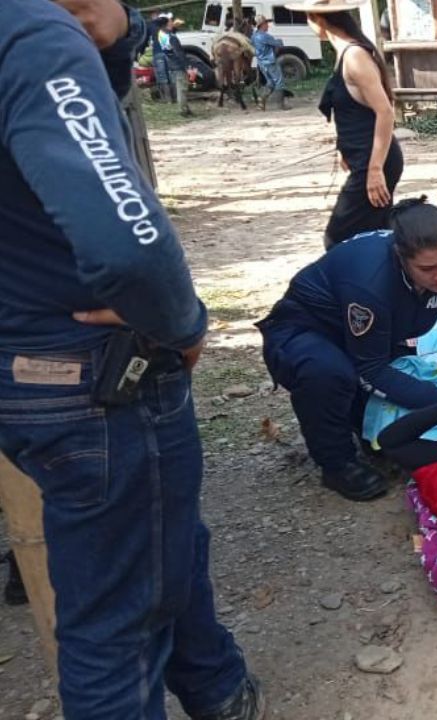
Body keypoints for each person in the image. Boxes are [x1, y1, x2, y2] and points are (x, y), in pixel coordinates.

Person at [0, 1, 262, 718]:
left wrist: (117, 47)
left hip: (23, 362)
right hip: (89, 374)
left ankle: (217, 685)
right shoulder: (29, 35)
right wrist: (182, 323)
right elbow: (130, 244)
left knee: (158, 529)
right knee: (114, 624)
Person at [258, 199, 437, 501]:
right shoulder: (371, 282)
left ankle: (361, 427)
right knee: (330, 374)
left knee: (392, 403)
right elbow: (371, 368)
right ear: (401, 257)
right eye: (427, 268)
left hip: (381, 333)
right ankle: (337, 464)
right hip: (307, 329)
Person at [288, 0, 404, 249]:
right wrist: (344, 146)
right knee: (375, 235)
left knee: (337, 237)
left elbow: (384, 112)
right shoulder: (344, 54)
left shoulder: (355, 56)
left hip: (374, 162)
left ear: (317, 19)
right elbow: (353, 110)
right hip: (362, 158)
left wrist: (374, 170)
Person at [158, 15, 192, 116]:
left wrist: (175, 27)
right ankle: (183, 110)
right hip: (178, 64)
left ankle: (185, 108)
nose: (172, 22)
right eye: (170, 21)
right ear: (166, 24)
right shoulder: (172, 38)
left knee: (180, 87)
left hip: (170, 62)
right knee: (182, 88)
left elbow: (170, 33)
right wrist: (187, 67)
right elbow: (179, 53)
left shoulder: (160, 33)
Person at [252, 16, 288, 110]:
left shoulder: (254, 36)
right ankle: (280, 105)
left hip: (261, 63)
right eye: (266, 23)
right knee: (279, 81)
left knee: (270, 83)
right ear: (262, 25)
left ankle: (261, 100)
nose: (268, 25)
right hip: (270, 61)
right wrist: (280, 41)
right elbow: (278, 44)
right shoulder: (265, 36)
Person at [150, 11, 171, 101]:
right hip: (166, 53)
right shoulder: (165, 27)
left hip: (158, 53)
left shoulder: (153, 27)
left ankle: (166, 98)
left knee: (161, 76)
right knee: (167, 75)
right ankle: (171, 97)